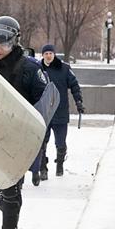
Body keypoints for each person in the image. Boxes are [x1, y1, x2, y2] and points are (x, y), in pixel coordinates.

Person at [0, 16, 48, 229]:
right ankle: (12, 212)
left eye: (2, 44)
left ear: (14, 41)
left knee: (10, 188)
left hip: (19, 137)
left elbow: (44, 102)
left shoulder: (30, 68)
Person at [39, 44, 84, 179]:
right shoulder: (37, 69)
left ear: (54, 54)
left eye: (50, 53)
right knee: (41, 143)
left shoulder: (64, 69)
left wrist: (79, 102)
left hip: (60, 111)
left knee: (61, 143)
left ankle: (59, 164)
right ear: (42, 55)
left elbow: (74, 85)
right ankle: (43, 168)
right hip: (43, 112)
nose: (48, 56)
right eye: (46, 53)